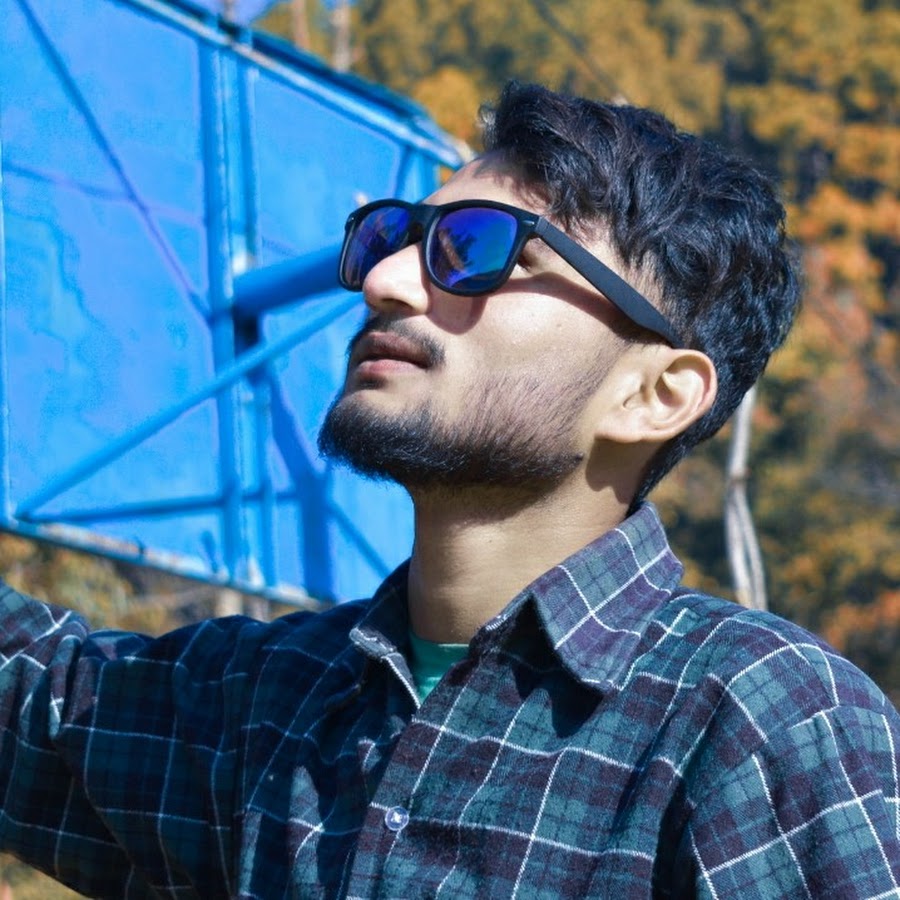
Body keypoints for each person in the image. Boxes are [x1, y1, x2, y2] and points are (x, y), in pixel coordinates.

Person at [1, 82, 898, 899]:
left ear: (653, 395)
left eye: (478, 249)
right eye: (389, 238)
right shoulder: (262, 702)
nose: (384, 281)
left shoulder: (758, 719)